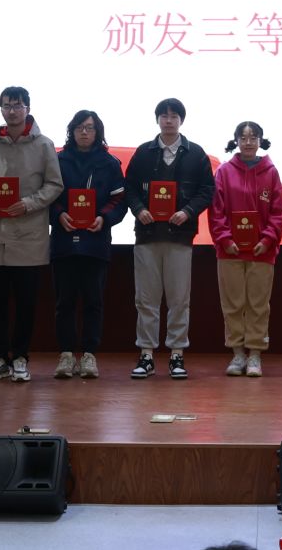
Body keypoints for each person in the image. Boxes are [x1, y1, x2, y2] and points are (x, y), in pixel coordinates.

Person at [0, 85, 64, 382]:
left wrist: (28, 204)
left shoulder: (44, 145)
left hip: (29, 235)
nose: (12, 111)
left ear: (27, 108)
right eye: (6, 105)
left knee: (26, 303)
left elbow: (54, 185)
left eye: (17, 105)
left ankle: (20, 357)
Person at [125, 97, 215, 379]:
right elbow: (129, 188)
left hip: (180, 237)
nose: (168, 120)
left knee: (179, 299)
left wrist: (187, 212)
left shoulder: (196, 153)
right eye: (164, 116)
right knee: (146, 299)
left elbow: (207, 191)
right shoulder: (144, 152)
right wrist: (138, 209)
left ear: (181, 120)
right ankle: (147, 355)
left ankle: (177, 354)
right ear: (157, 120)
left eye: (174, 116)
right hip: (147, 236)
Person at [50, 109, 127, 380]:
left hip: (95, 242)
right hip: (64, 241)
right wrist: (59, 214)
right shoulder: (57, 160)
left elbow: (119, 199)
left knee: (94, 301)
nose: (84, 132)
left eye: (90, 128)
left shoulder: (109, 163)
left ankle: (89, 355)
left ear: (98, 132)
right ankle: (66, 354)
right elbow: (47, 195)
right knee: (64, 302)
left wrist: (103, 218)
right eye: (80, 127)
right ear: (72, 131)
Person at [211, 120, 282, 377]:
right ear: (236, 141)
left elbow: (278, 212)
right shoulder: (224, 171)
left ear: (260, 141)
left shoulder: (271, 172)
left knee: (258, 304)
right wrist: (225, 240)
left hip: (262, 251)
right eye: (243, 138)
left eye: (253, 137)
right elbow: (216, 211)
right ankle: (237, 354)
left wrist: (267, 240)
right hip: (229, 251)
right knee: (232, 304)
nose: (248, 142)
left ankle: (255, 354)